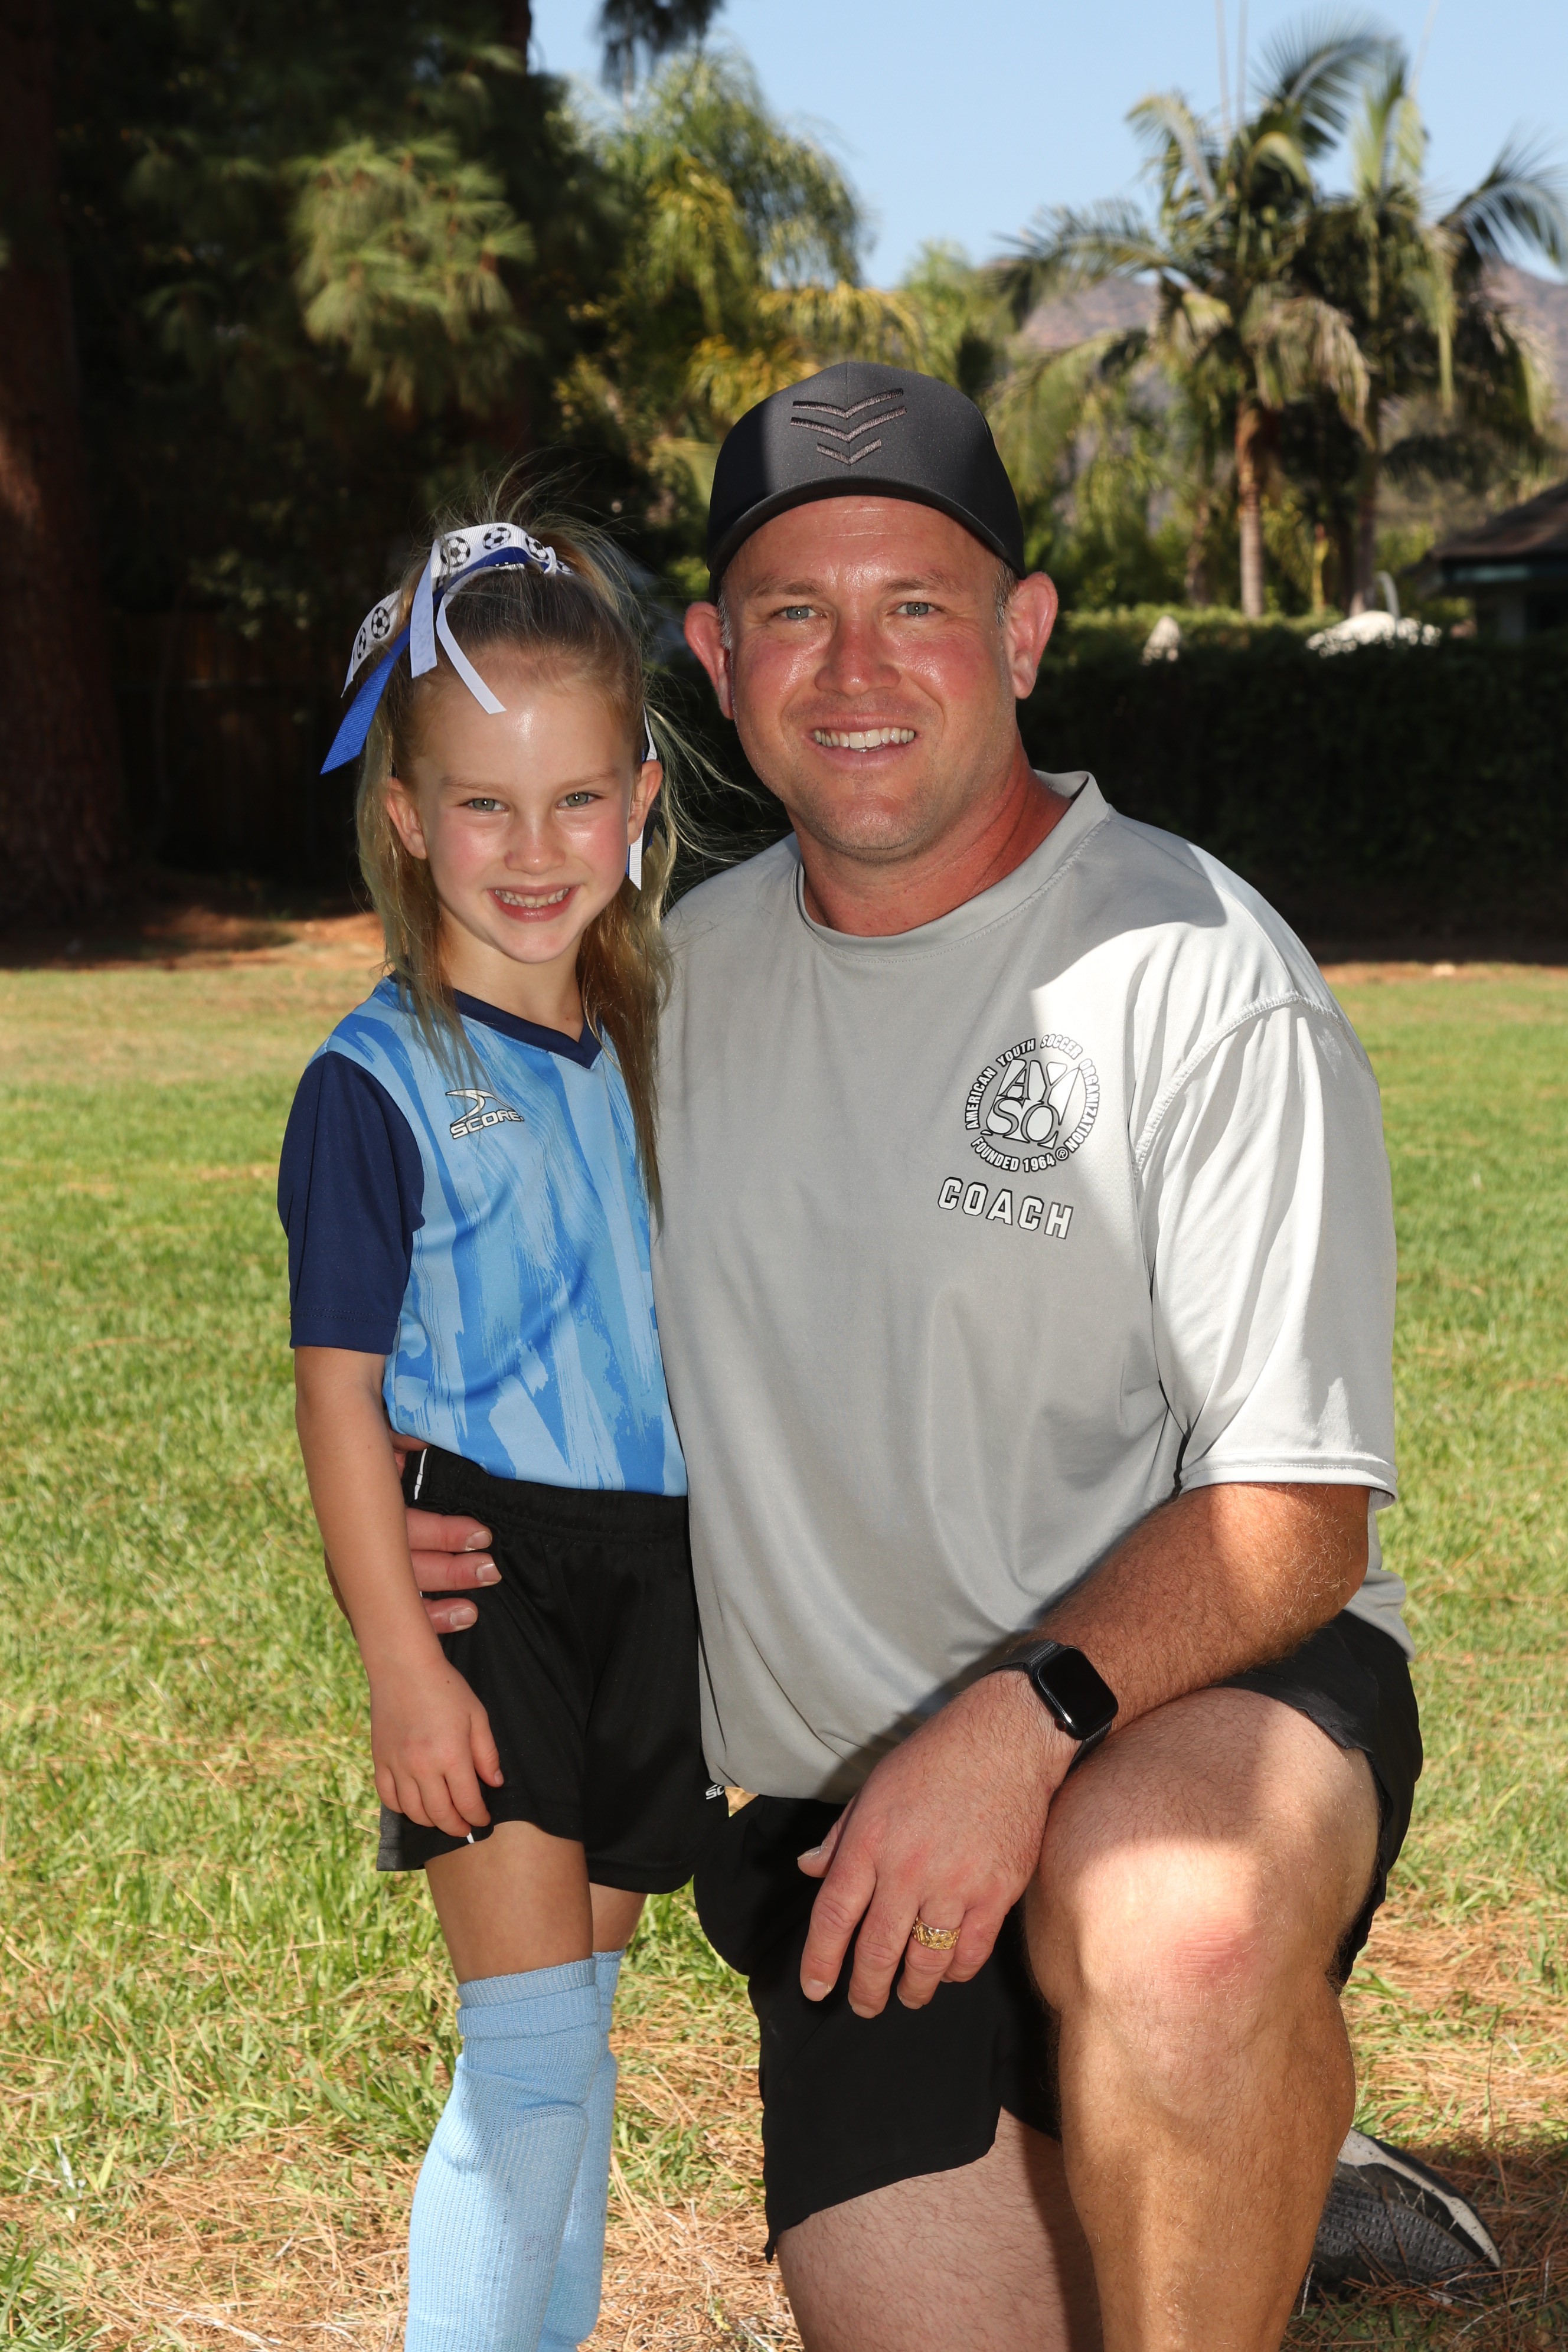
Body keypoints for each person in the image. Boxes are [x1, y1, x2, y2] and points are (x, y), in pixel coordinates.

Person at [398, 367, 1459, 2350]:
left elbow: (1300, 1516)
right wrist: (443, 1519)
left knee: (1175, 1929)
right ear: (717, 658)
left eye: (918, 604)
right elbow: (538, 1362)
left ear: (1025, 634)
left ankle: (1210, 2065)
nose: (856, 666)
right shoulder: (653, 998)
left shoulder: (1197, 974)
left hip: (1177, 1708)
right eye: (795, 612)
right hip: (856, 1844)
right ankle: (1216, 2141)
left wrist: (1022, 1720)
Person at [277, 505, 722, 2352]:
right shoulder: (375, 1082)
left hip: (655, 1587)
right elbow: (338, 1392)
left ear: (638, 800)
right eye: (483, 805)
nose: (533, 851)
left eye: (573, 802)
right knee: (531, 2060)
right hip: (492, 1591)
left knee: (576, 2052)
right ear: (405, 814)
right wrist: (403, 1664)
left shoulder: (657, 1041)